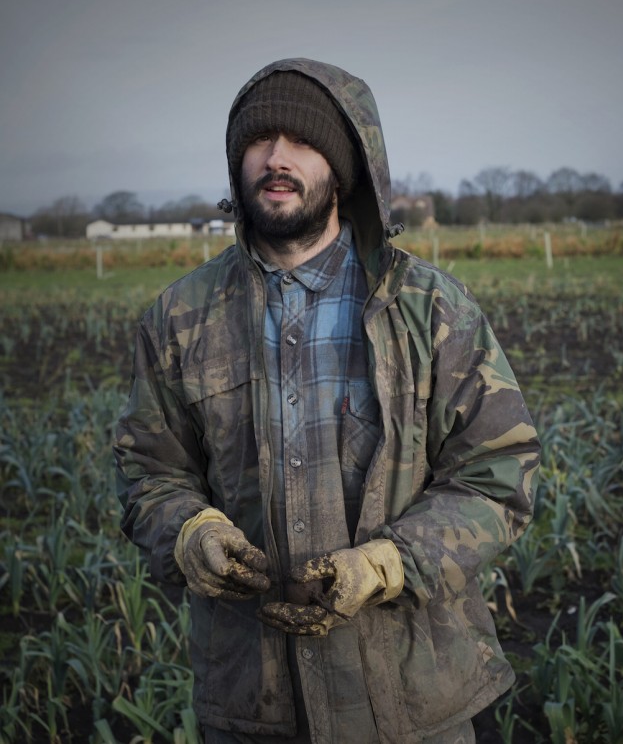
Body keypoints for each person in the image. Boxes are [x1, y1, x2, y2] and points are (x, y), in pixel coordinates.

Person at [114, 58, 541, 744]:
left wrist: (390, 562)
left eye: (303, 141)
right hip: (257, 707)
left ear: (343, 168)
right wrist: (191, 534)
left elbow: (498, 474)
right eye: (259, 141)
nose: (277, 158)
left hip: (415, 702)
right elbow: (148, 472)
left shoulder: (430, 308)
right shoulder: (179, 318)